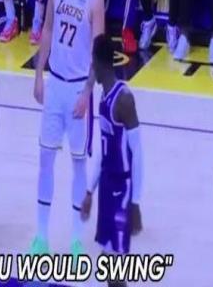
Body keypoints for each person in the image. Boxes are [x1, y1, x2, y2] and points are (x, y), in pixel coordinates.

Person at [31, 0, 104, 258]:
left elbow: (99, 53)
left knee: (77, 164)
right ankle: (41, 237)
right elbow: (47, 28)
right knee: (45, 160)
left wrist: (87, 93)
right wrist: (38, 74)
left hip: (77, 88)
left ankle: (75, 240)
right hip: (55, 83)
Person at [81, 34, 143, 287]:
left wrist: (135, 203)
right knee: (108, 265)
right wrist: (89, 191)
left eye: (91, 62)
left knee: (117, 269)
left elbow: (138, 154)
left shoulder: (124, 99)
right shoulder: (104, 98)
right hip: (107, 185)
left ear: (97, 63)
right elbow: (104, 149)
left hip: (122, 188)